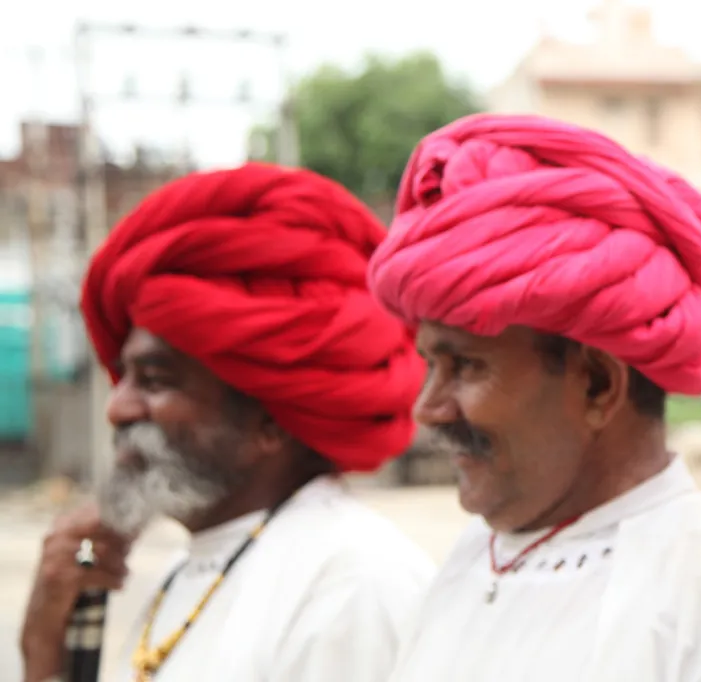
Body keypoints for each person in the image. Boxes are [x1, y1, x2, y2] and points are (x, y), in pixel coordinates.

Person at [368, 113, 701, 681]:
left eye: (465, 367)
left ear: (596, 383)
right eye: (431, 366)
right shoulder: (468, 564)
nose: (428, 408)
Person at [20, 163, 434, 682]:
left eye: (154, 381)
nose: (117, 408)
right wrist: (44, 653)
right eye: (124, 377)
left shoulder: (351, 584)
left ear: (270, 421)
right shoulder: (198, 564)